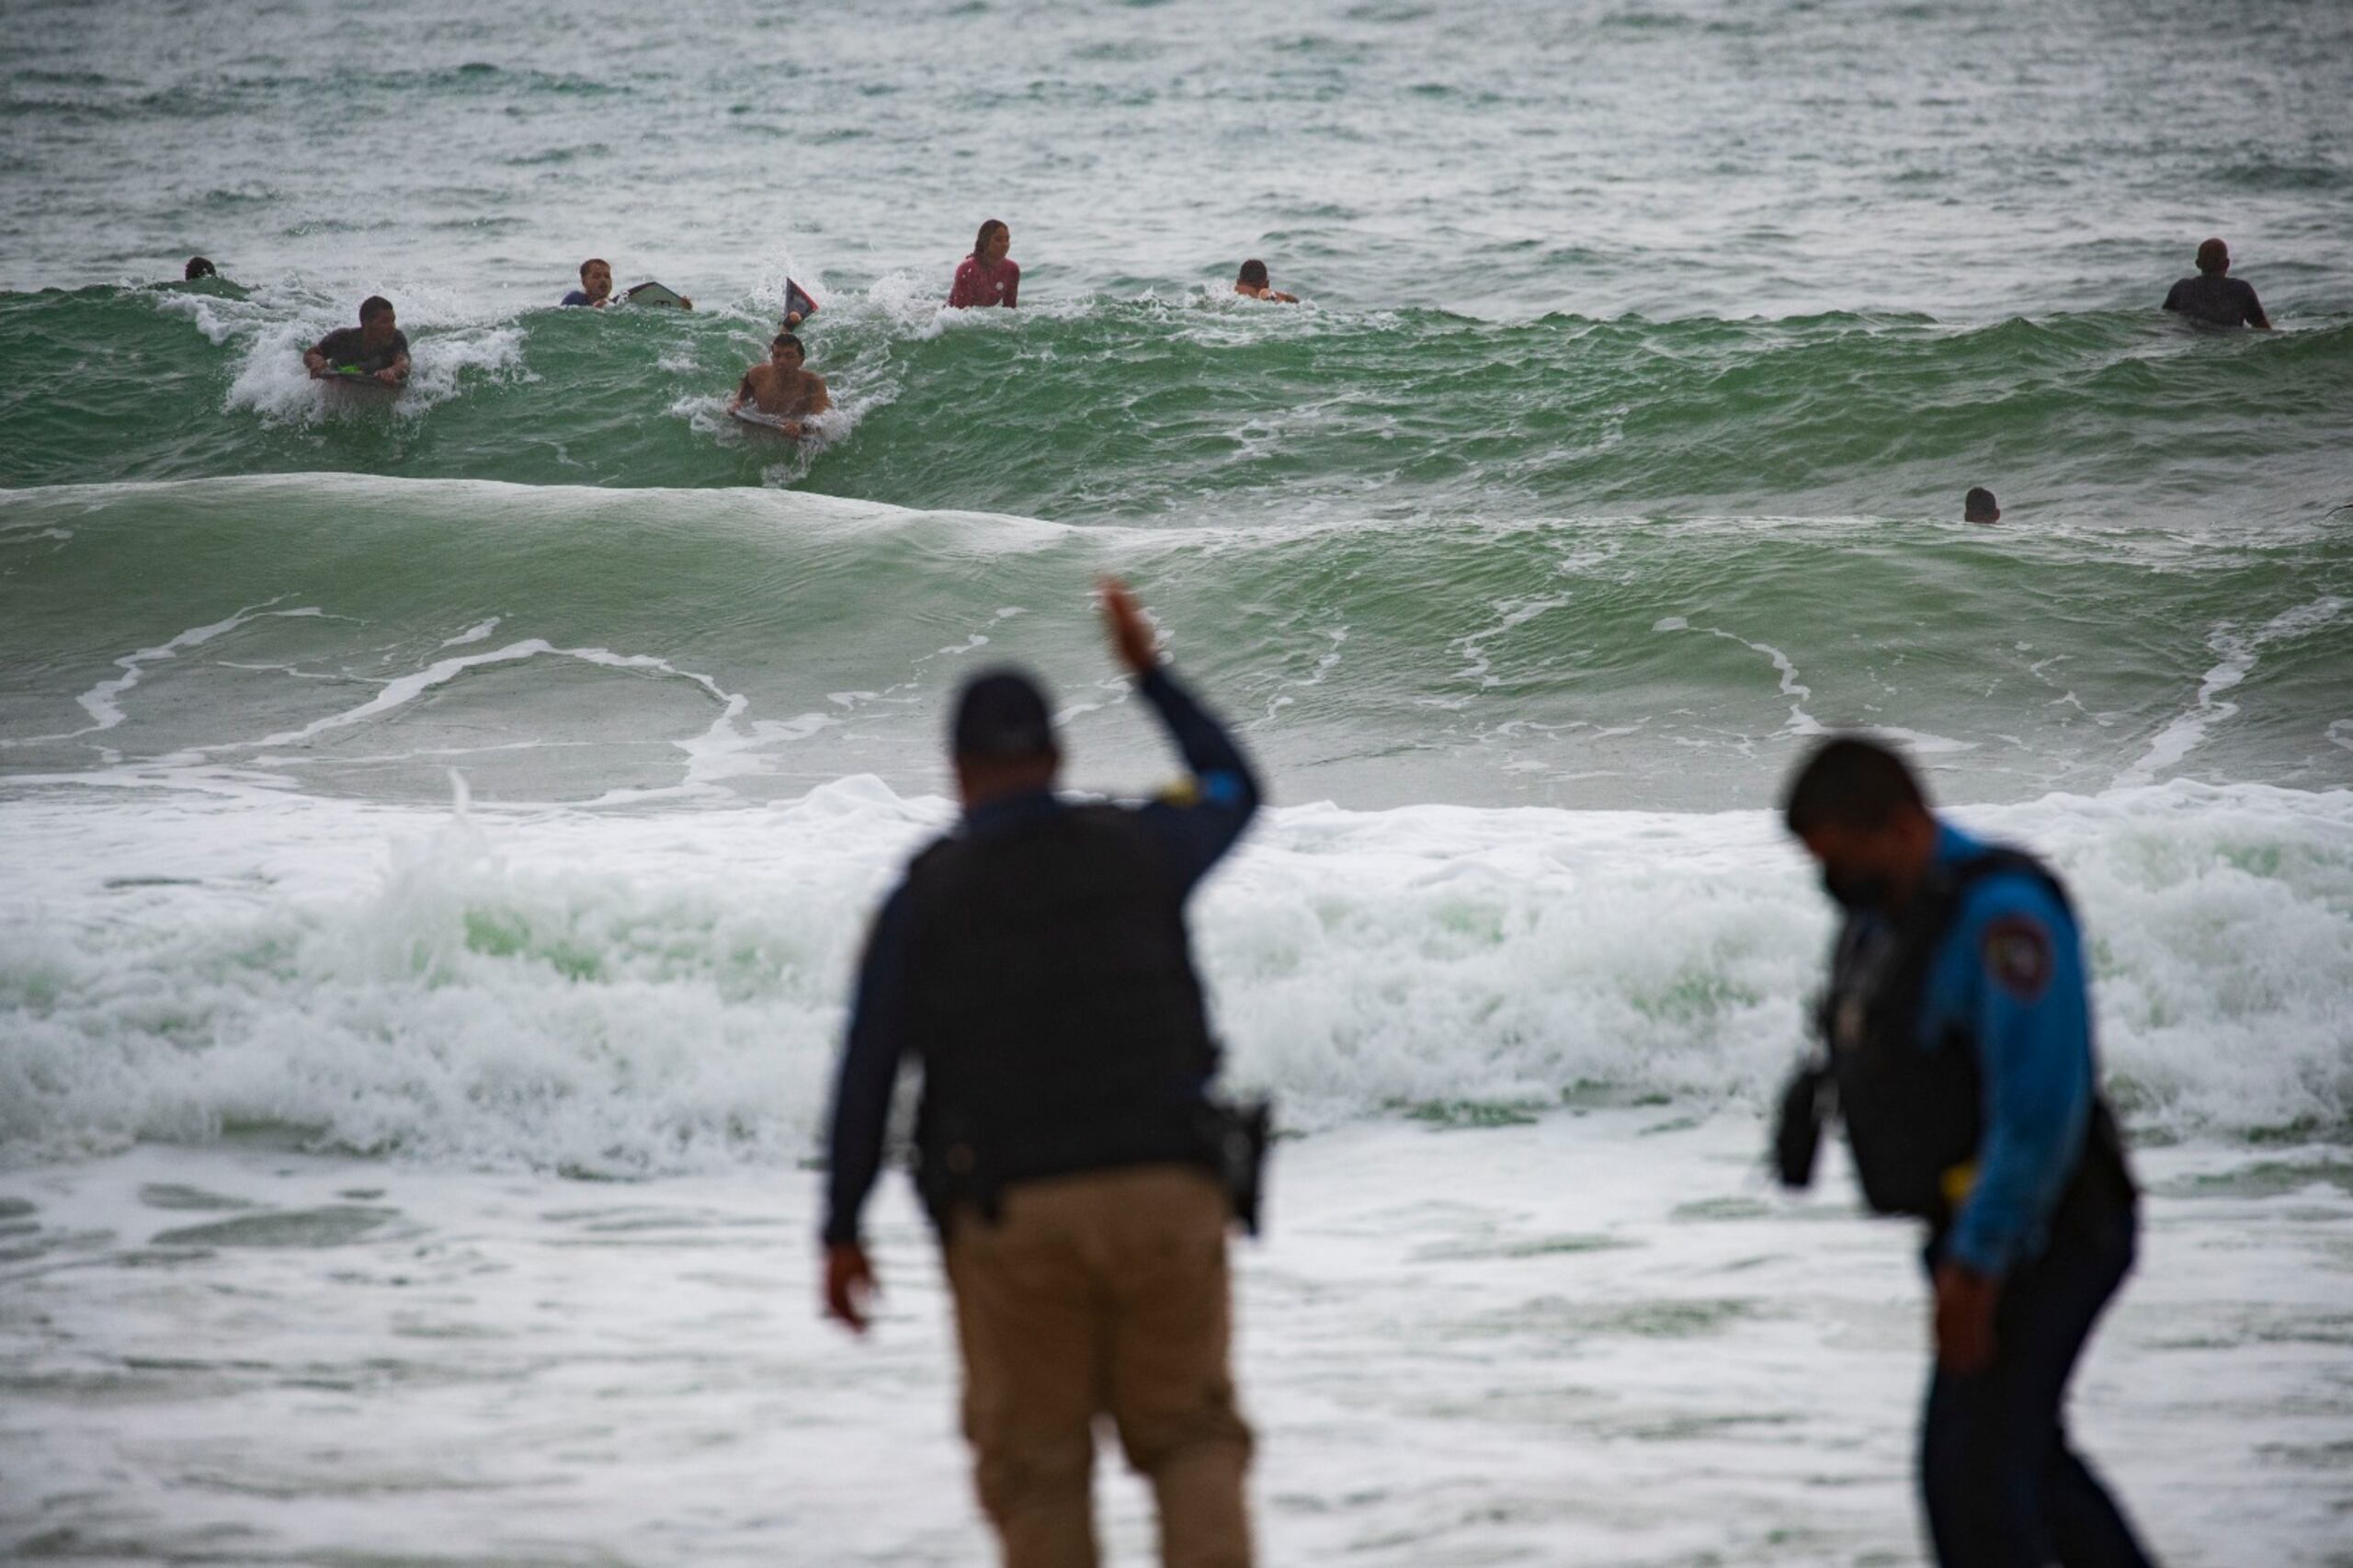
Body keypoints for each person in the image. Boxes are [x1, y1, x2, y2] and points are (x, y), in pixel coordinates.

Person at [822, 578, 1263, 1568]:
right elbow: (1235, 785)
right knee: (1191, 1437)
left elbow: (868, 1068)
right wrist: (1147, 671)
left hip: (1013, 1215)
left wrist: (841, 1229)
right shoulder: (1142, 845)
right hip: (1166, 1186)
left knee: (1041, 1474)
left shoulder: (924, 895)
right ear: (1058, 758)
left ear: (958, 770)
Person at [1772, 735, 2152, 1568]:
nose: (1834, 884)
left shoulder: (2002, 919)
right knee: (2024, 1467)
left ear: (1904, 826)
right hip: (1974, 1229)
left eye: (1844, 859)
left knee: (1972, 1483)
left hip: (2049, 1231)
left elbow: (2040, 1111)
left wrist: (1977, 1269)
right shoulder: (1889, 919)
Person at [727, 332, 832, 435]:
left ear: (801, 360)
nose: (782, 361)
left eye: (789, 356)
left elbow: (824, 418)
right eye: (777, 355)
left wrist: (802, 426)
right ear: (772, 358)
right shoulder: (757, 374)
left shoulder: (813, 383)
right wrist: (737, 402)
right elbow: (742, 393)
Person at [2162, 238, 2270, 329]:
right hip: (2228, 345)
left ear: (2198, 264)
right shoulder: (2241, 290)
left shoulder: (2181, 289)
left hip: (2191, 340)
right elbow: (2263, 330)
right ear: (2227, 263)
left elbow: (2162, 320)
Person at [302, 295, 410, 386]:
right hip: (342, 378)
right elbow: (312, 353)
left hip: (376, 381)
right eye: (385, 322)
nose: (392, 327)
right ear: (365, 323)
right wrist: (317, 361)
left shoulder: (396, 338)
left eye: (393, 321)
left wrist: (391, 371)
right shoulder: (342, 338)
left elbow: (404, 363)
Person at [948, 219, 1019, 308]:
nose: (1005, 244)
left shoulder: (1012, 269)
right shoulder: (968, 269)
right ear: (985, 241)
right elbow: (960, 313)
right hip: (948, 316)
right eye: (998, 239)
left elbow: (1010, 311)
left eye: (1007, 239)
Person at [1232, 260, 1297, 303]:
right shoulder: (1276, 296)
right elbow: (1296, 302)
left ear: (1238, 282)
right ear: (1267, 284)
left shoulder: (1231, 294)